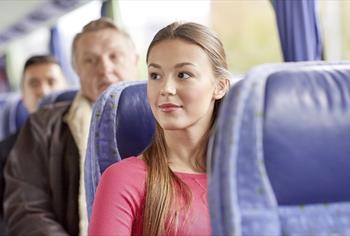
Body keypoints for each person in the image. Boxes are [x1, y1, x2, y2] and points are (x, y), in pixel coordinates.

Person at [89, 22, 230, 236]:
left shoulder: (245, 177)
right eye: (155, 75)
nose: (166, 89)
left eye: (183, 75)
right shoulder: (123, 179)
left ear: (219, 86)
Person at [4, 18, 138, 236]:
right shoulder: (43, 125)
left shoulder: (169, 119)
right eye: (90, 60)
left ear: (135, 60)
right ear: (76, 70)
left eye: (114, 56)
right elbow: (27, 208)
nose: (104, 68)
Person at [0, 55, 66, 235]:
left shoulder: (89, 138)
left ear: (66, 87)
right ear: (23, 94)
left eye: (51, 81)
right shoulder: (5, 152)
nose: (44, 91)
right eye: (34, 84)